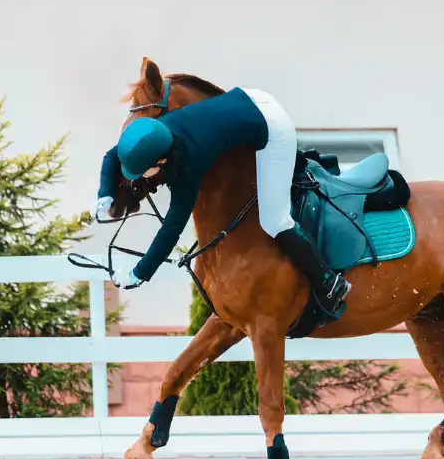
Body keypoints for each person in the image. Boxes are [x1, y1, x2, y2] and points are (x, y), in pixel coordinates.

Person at [92, 86, 351, 314]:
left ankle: (328, 281)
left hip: (273, 127)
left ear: (160, 160)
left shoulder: (190, 166)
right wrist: (104, 194)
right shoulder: (153, 133)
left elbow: (171, 228)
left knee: (274, 220)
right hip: (249, 96)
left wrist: (140, 273)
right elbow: (112, 154)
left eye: (141, 172)